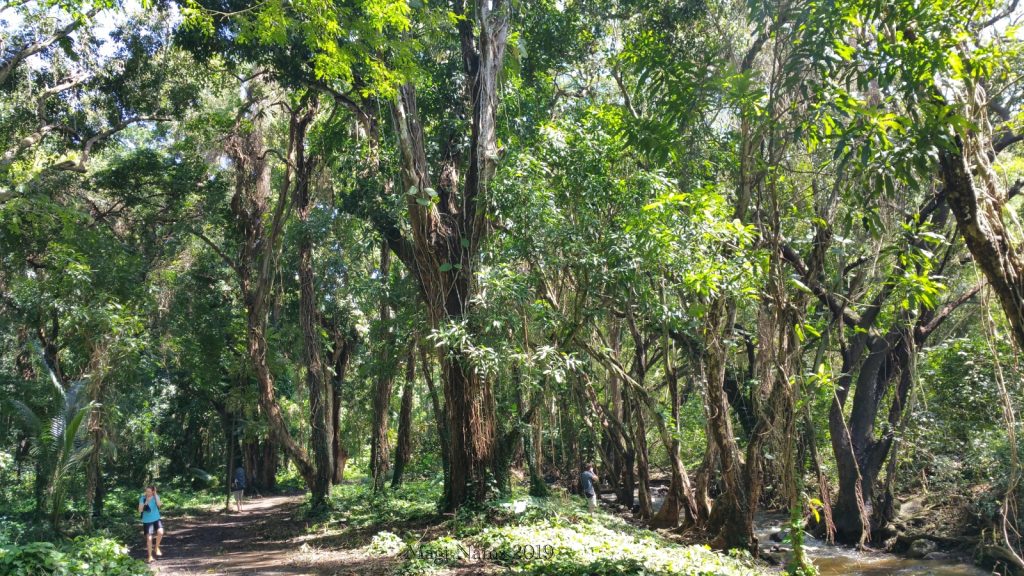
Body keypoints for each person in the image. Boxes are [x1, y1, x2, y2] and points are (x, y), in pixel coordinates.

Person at [138, 485, 164, 563]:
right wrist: (146, 502)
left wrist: (155, 494)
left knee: (161, 532)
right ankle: (150, 556)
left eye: (149, 491)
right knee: (149, 539)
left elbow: (159, 505)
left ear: (153, 491)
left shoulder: (156, 496)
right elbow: (140, 510)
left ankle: (156, 547)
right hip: (147, 520)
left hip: (156, 518)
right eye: (146, 491)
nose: (148, 493)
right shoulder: (142, 498)